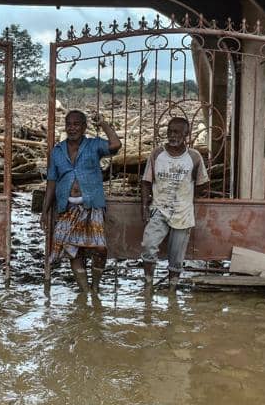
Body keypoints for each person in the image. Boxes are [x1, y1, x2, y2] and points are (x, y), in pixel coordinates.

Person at [41, 109, 121, 294]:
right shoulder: (57, 151)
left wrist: (103, 123)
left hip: (92, 205)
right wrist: (45, 211)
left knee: (100, 248)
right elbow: (51, 182)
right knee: (72, 250)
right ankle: (86, 291)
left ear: (84, 127)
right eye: (69, 124)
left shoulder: (94, 146)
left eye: (77, 124)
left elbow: (116, 145)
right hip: (68, 207)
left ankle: (95, 287)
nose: (72, 128)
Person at [140, 117, 210, 293]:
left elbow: (202, 183)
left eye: (177, 132)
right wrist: (144, 206)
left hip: (183, 212)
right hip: (159, 209)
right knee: (149, 245)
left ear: (186, 134)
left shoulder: (194, 157)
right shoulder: (157, 154)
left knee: (176, 257)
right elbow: (146, 182)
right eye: (170, 131)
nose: (172, 135)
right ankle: (148, 285)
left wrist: (187, 198)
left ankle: (172, 290)